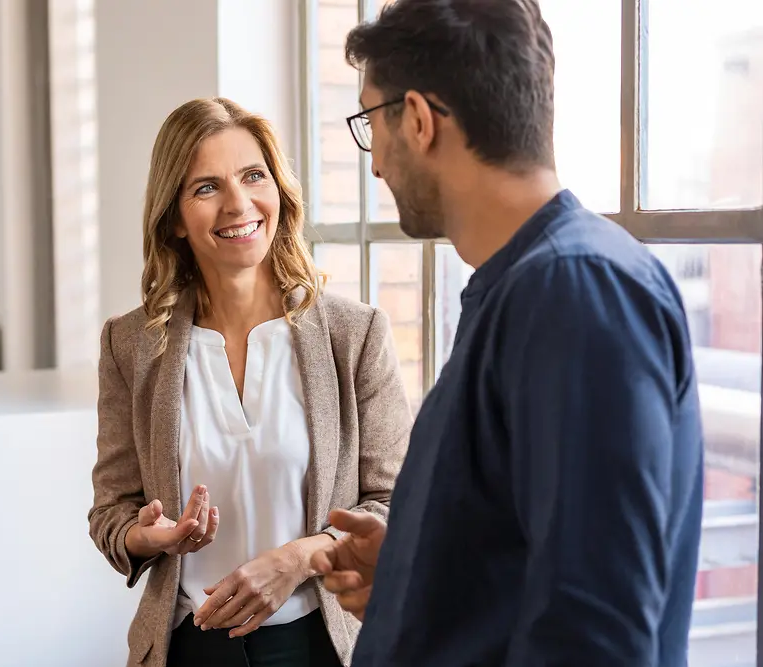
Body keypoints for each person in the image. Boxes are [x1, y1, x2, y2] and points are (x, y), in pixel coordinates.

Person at [311, 1, 705, 666]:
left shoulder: (575, 292)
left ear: (418, 119)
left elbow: (593, 633)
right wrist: (417, 576)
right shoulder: (529, 286)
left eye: (370, 122)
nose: (374, 164)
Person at [87, 97, 413, 667]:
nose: (238, 204)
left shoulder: (355, 335)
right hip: (189, 647)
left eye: (253, 176)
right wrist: (146, 537)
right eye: (206, 187)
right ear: (174, 218)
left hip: (320, 645)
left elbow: (397, 505)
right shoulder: (130, 345)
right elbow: (111, 511)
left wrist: (298, 559)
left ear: (280, 191)